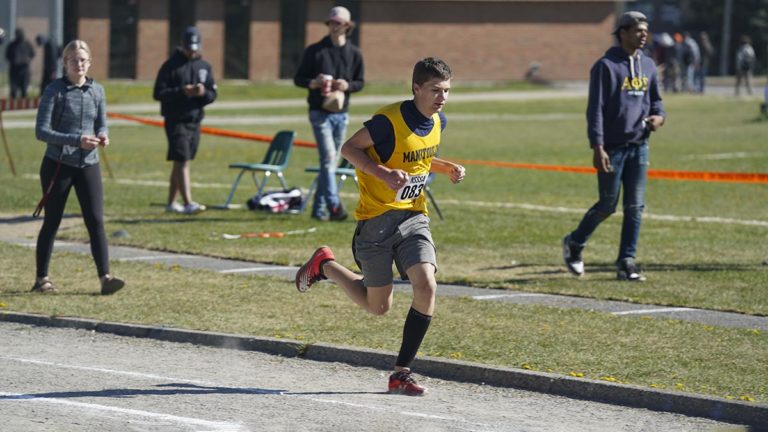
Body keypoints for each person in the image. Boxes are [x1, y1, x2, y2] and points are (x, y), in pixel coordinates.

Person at [295, 57, 465, 396]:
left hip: (413, 217)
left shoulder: (438, 121)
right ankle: (325, 266)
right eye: (435, 90)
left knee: (426, 285)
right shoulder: (388, 121)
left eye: (446, 91)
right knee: (379, 307)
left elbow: (418, 156)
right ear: (416, 88)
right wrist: (382, 173)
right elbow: (349, 148)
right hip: (375, 223)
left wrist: (446, 167)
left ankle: (402, 373)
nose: (442, 98)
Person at [562, 11, 666, 282]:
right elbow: (595, 110)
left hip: (640, 145)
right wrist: (598, 146)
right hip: (612, 148)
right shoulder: (605, 66)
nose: (644, 35)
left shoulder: (648, 65)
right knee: (608, 205)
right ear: (623, 32)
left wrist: (659, 117)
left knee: (635, 207)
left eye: (645, 30)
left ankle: (626, 262)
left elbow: (656, 101)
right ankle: (575, 242)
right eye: (638, 30)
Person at [32, 39, 124, 295]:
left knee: (95, 220)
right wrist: (76, 140)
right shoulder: (55, 90)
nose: (79, 64)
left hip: (88, 164)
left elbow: (101, 122)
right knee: (52, 221)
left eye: (83, 60)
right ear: (65, 63)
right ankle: (41, 279)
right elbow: (41, 131)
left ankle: (105, 278)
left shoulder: (97, 90)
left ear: (89, 62)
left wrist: (103, 135)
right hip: (58, 165)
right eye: (73, 60)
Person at [294, 6, 364, 222]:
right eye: (331, 22)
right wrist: (314, 83)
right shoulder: (315, 51)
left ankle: (318, 209)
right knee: (327, 158)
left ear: (347, 26)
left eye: (338, 23)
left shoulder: (354, 53)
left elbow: (360, 82)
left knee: (331, 162)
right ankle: (334, 207)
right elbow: (299, 79)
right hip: (319, 111)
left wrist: (347, 85)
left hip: (341, 112)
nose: (334, 26)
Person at [153, 26, 217, 214]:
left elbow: (213, 94)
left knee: (180, 161)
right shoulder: (170, 66)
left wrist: (202, 93)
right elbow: (158, 93)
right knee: (182, 160)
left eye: (195, 48)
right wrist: (182, 91)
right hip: (175, 120)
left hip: (195, 120)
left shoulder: (204, 67)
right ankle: (188, 203)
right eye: (189, 48)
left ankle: (171, 203)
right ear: (182, 45)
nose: (192, 52)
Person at [4, 28, 35, 99]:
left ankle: (24, 105)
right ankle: (12, 104)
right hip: (14, 70)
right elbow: (7, 55)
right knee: (13, 91)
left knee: (24, 90)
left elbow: (32, 53)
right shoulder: (12, 45)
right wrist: (13, 61)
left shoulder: (27, 44)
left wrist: (28, 59)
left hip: (24, 70)